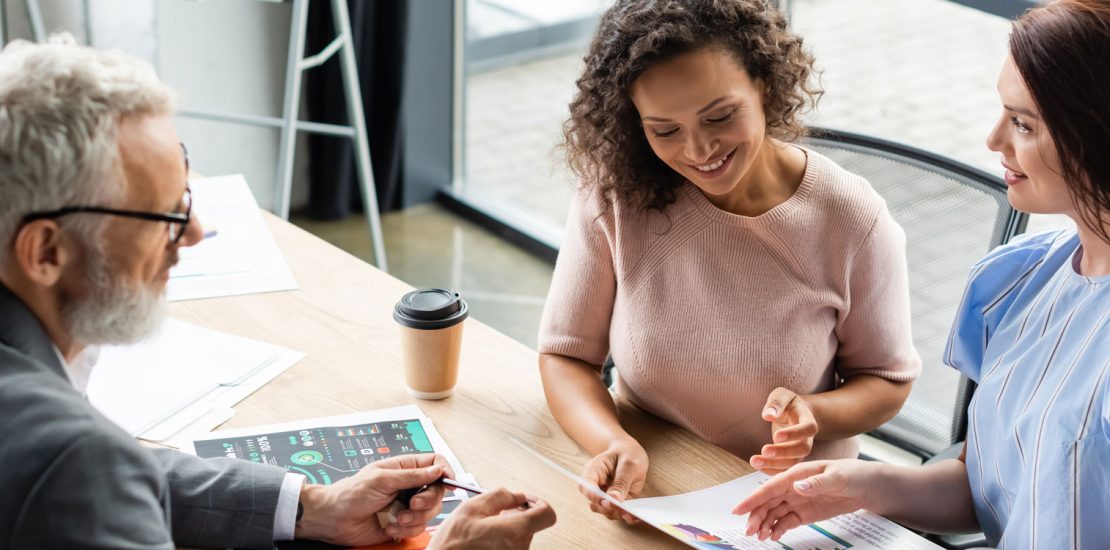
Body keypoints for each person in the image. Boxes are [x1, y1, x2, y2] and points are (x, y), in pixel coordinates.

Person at [0, 36, 554, 549]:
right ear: (46, 251)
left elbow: (119, 475)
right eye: (165, 215)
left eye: (187, 198)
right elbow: (89, 473)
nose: (193, 234)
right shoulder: (73, 461)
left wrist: (311, 504)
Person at [733, 1, 1110, 548]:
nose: (994, 139)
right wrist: (867, 485)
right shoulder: (1020, 281)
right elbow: (993, 493)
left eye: (1024, 124)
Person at [537, 0, 920, 522]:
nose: (698, 149)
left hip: (791, 502)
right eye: (664, 130)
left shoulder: (851, 219)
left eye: (720, 116)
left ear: (763, 85)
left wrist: (814, 413)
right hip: (657, 480)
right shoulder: (616, 195)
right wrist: (612, 442)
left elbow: (886, 379)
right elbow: (567, 355)